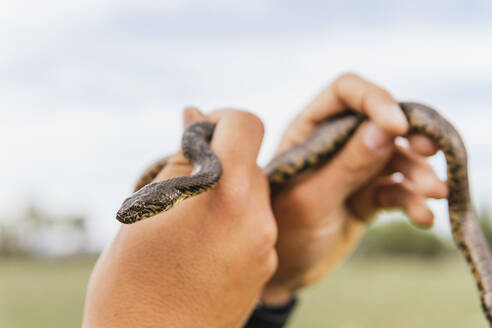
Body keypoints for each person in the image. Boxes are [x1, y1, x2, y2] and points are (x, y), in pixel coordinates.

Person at [83, 73, 447, 327]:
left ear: (163, 202)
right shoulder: (201, 172)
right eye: (138, 210)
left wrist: (270, 282)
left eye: (142, 209)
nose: (135, 214)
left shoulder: (206, 173)